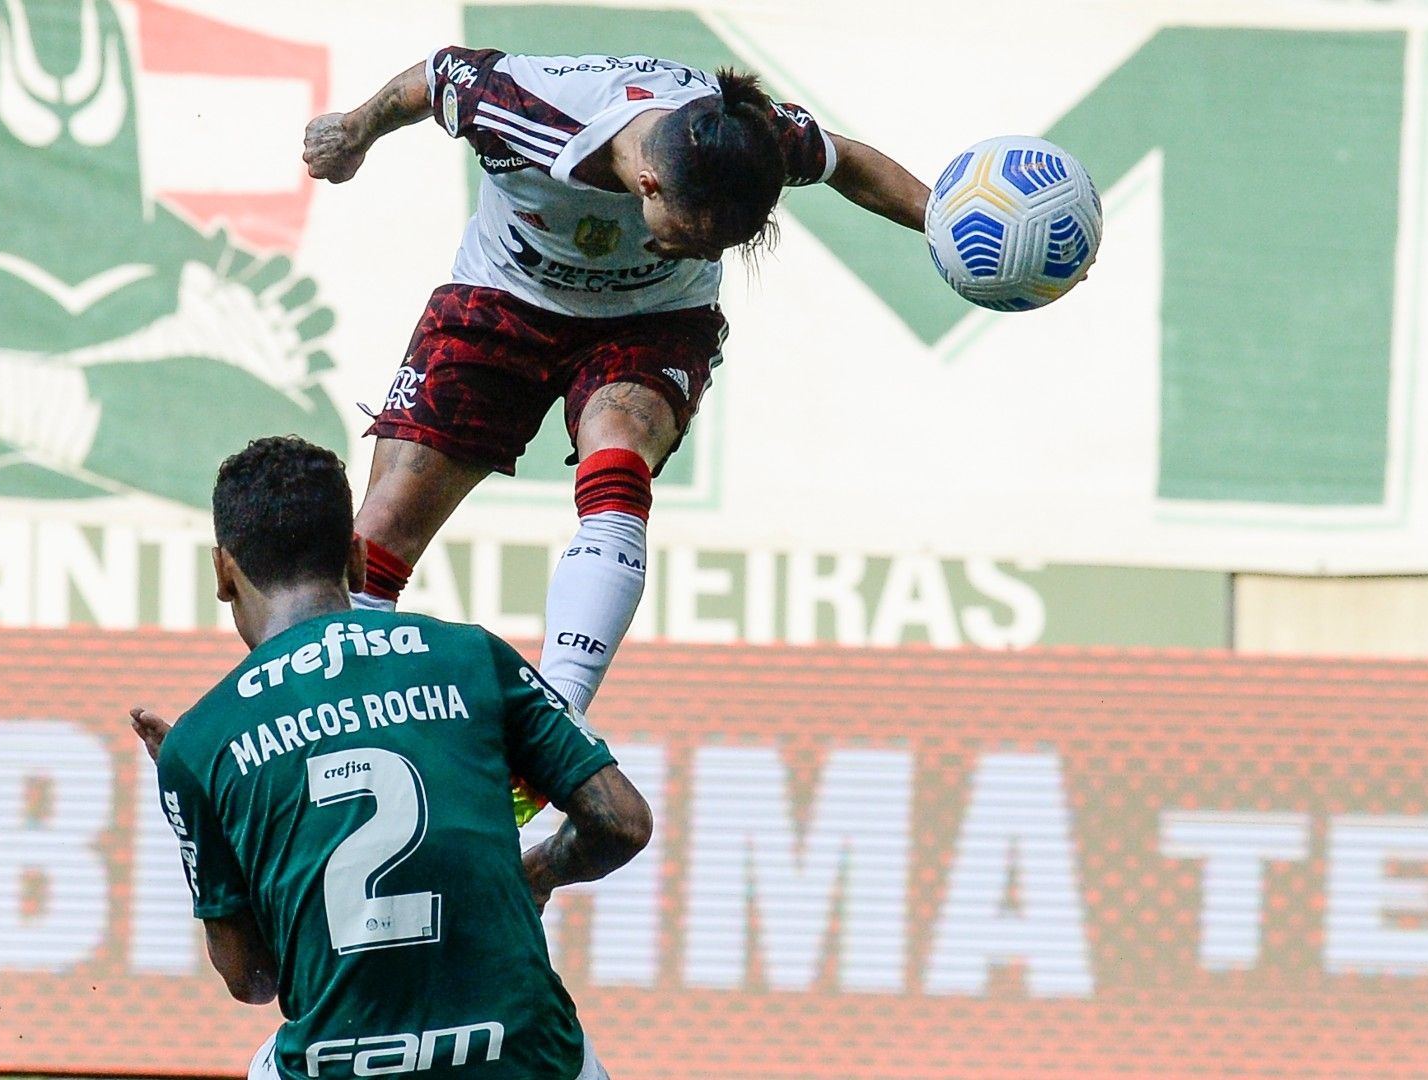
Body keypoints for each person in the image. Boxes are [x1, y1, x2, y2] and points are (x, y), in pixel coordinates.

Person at [302, 48, 929, 806]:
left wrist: (947, 222)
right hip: (501, 294)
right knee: (385, 525)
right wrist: (355, 131)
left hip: (654, 321)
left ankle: (556, 717)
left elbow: (850, 162)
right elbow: (430, 79)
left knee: (620, 442)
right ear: (646, 185)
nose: (707, 252)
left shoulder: (754, 136)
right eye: (695, 237)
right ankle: (324, 731)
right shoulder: (522, 109)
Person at [129, 435, 652, 1080]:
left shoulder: (202, 743)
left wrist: (206, 798)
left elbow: (253, 980)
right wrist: (536, 872)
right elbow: (622, 822)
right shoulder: (470, 656)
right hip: (526, 1061)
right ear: (355, 559)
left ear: (222, 572)